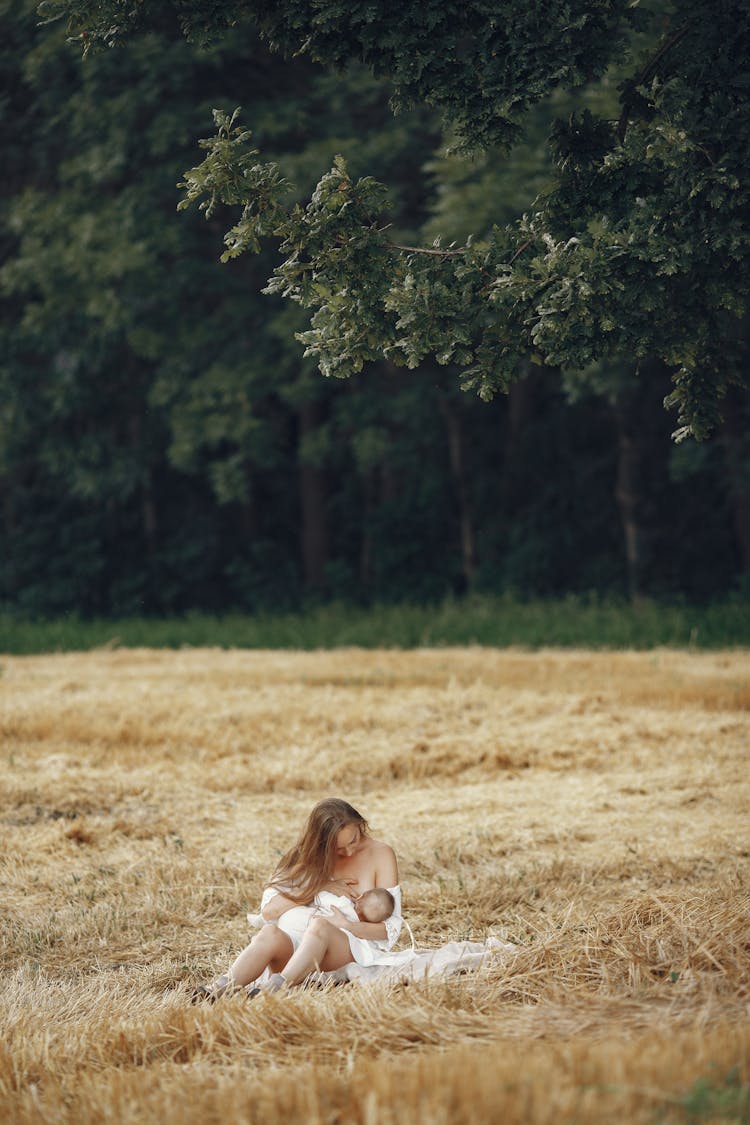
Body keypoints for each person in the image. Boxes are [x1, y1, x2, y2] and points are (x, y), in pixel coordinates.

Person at [194, 798, 402, 999]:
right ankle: (218, 989)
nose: (348, 852)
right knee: (269, 933)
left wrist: (346, 925)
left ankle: (277, 988)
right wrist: (320, 885)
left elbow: (390, 929)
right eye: (338, 848)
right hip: (300, 948)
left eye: (354, 840)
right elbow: (269, 913)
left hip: (347, 949)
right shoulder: (307, 858)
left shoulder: (381, 854)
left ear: (360, 824)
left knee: (320, 926)